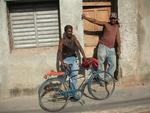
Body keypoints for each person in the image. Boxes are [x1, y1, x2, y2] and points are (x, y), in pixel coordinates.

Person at [82, 12, 121, 80]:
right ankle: (101, 79)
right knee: (100, 63)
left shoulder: (117, 27)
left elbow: (118, 38)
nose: (113, 20)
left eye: (114, 19)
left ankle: (107, 79)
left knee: (113, 64)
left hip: (112, 48)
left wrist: (119, 48)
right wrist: (85, 18)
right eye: (111, 18)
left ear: (116, 19)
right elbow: (95, 21)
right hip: (103, 46)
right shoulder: (106, 24)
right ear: (110, 18)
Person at [59, 25, 86, 99]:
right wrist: (62, 62)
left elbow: (79, 47)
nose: (70, 33)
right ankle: (69, 91)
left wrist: (84, 56)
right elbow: (59, 52)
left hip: (73, 59)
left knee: (74, 75)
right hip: (66, 60)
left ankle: (72, 93)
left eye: (71, 31)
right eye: (68, 31)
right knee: (67, 77)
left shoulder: (73, 38)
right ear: (65, 32)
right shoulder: (63, 40)